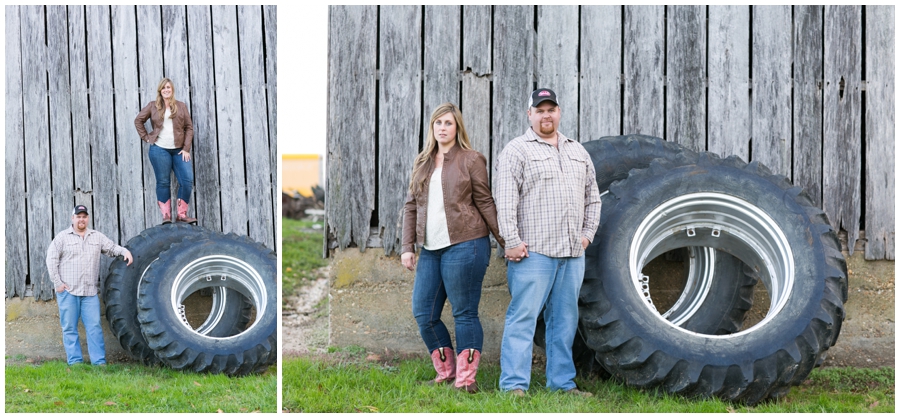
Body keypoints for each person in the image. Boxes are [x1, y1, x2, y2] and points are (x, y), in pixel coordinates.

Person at [494, 88, 601, 397]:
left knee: (564, 322)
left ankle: (562, 384)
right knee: (523, 319)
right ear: (530, 114)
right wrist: (511, 241)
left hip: (571, 253)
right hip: (533, 254)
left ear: (559, 112)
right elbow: (505, 199)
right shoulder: (517, 150)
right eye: (540, 110)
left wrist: (586, 235)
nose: (546, 115)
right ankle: (514, 385)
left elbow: (592, 198)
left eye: (551, 109)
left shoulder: (577, 151)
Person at [400, 102, 505, 393]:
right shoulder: (422, 162)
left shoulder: (471, 159)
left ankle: (466, 380)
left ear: (457, 127)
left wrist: (505, 241)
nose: (443, 128)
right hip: (431, 249)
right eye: (438, 123)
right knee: (424, 312)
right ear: (432, 128)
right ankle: (446, 371)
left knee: (464, 312)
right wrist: (407, 246)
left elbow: (484, 201)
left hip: (466, 244)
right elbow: (411, 206)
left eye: (448, 123)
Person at [46, 205, 133, 365]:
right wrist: (58, 283)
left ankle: (99, 363)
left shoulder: (96, 237)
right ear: (73, 218)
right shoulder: (62, 238)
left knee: (94, 328)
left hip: (90, 293)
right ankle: (75, 362)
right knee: (70, 329)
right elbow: (51, 260)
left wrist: (124, 252)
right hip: (68, 292)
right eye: (78, 216)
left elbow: (112, 248)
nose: (81, 219)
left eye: (84, 216)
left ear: (88, 218)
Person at [134, 77, 197, 224]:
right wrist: (147, 138)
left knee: (187, 181)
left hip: (179, 150)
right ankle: (166, 216)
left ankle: (181, 214)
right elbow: (138, 120)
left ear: (172, 90)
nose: (166, 90)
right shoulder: (152, 106)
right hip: (159, 150)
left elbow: (189, 127)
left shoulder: (181, 106)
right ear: (160, 91)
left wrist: (186, 148)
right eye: (163, 88)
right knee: (163, 182)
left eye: (168, 87)